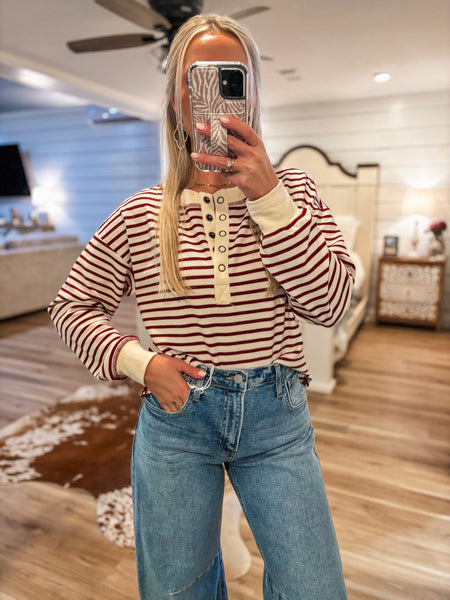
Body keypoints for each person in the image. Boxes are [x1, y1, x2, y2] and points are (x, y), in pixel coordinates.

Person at [49, 13, 353, 600]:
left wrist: (269, 199)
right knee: (176, 591)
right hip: (178, 420)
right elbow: (72, 306)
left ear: (252, 94)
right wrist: (142, 364)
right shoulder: (141, 212)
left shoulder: (295, 192)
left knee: (314, 588)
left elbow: (332, 304)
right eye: (196, 81)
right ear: (174, 99)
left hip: (277, 419)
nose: (211, 97)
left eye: (231, 78)